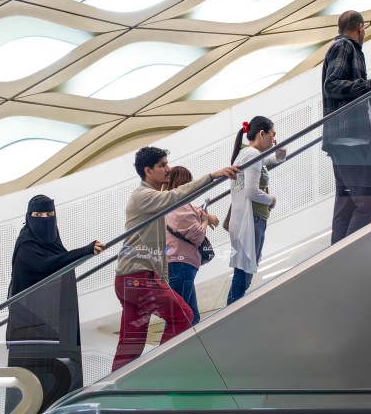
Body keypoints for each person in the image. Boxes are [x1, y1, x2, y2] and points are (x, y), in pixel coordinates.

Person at [111, 147, 238, 371]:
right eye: (162, 165)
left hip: (131, 279)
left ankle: (118, 385)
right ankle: (160, 371)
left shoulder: (152, 201)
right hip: (138, 278)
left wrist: (161, 277)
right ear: (147, 171)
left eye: (167, 163)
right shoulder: (143, 196)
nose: (168, 169)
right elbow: (176, 196)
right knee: (184, 316)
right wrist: (212, 175)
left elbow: (161, 247)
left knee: (131, 343)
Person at [6, 195, 104, 410]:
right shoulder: (26, 245)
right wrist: (84, 251)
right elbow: (46, 265)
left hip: (55, 325)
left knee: (59, 377)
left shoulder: (54, 242)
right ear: (28, 217)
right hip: (31, 327)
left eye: (50, 214)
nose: (45, 219)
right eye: (39, 215)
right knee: (34, 384)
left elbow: (58, 262)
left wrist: (83, 253)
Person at [321, 11, 371, 243]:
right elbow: (331, 85)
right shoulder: (345, 46)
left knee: (347, 206)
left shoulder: (343, 47)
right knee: (369, 204)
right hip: (351, 139)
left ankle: (337, 258)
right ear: (360, 27)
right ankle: (349, 256)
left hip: (345, 139)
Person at [226, 117, 286, 304]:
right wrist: (271, 199)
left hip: (246, 219)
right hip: (252, 219)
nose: (273, 138)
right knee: (243, 276)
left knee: (242, 272)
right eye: (272, 134)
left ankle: (232, 312)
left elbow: (266, 161)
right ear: (262, 134)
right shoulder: (252, 154)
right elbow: (251, 191)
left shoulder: (245, 153)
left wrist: (279, 156)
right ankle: (232, 313)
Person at [164, 167, 219, 324]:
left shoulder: (173, 203)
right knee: (179, 318)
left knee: (192, 316)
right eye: (189, 181)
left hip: (180, 265)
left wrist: (205, 214)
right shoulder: (178, 204)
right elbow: (197, 236)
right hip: (181, 265)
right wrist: (206, 221)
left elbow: (194, 211)